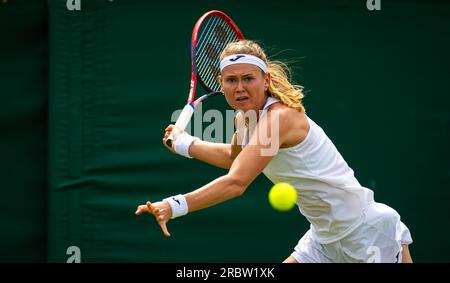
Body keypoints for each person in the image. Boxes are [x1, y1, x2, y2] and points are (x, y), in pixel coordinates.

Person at [135, 40, 413, 263]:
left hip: (366, 233)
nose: (240, 87)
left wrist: (173, 206)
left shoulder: (279, 118)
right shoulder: (243, 119)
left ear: (265, 80)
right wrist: (185, 143)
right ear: (221, 84)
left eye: (248, 79)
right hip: (324, 238)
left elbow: (237, 182)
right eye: (231, 81)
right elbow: (235, 160)